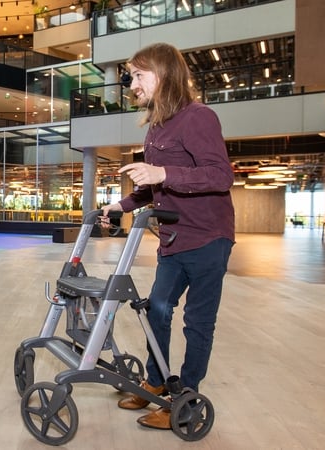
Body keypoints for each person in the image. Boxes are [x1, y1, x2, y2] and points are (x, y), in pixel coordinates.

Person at [100, 42, 235, 430]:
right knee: (156, 308)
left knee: (197, 322)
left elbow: (220, 175)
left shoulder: (199, 118)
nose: (132, 84)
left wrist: (163, 174)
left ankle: (186, 398)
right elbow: (150, 185)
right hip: (173, 239)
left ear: (162, 75)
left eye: (138, 75)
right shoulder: (158, 125)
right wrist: (120, 206)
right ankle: (157, 382)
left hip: (209, 237)